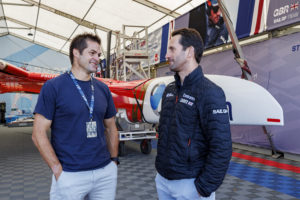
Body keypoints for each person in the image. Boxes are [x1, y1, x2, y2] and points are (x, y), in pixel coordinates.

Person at [32, 33, 119, 200]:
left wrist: (113, 162)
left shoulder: (102, 89)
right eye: (92, 53)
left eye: (99, 54)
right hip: (70, 174)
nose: (97, 58)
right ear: (76, 53)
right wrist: (57, 170)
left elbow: (111, 127)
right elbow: (38, 134)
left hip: (104, 173)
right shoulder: (53, 87)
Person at [155, 28, 232, 200]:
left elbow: (222, 146)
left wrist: (203, 188)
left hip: (191, 186)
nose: (166, 55)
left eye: (172, 49)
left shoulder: (210, 92)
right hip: (163, 181)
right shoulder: (170, 90)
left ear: (189, 52)